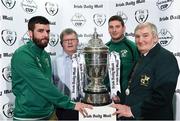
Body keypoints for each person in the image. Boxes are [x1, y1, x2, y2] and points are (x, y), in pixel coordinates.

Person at [11, 16, 92, 120]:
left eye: (47, 31)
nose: (45, 35)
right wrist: (71, 104)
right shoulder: (22, 54)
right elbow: (43, 85)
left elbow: (49, 84)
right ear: (30, 33)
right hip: (29, 117)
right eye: (40, 31)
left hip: (50, 114)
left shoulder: (45, 55)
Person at [111, 22, 179, 120]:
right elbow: (136, 88)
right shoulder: (143, 56)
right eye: (137, 36)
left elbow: (162, 97)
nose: (140, 40)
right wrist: (121, 99)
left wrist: (133, 111)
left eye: (145, 36)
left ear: (155, 38)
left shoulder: (166, 58)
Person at [104, 15, 139, 104]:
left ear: (123, 28)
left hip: (128, 98)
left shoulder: (133, 47)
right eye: (111, 27)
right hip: (108, 98)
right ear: (108, 29)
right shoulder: (105, 48)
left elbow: (139, 72)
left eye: (117, 27)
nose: (114, 30)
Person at [52, 28, 79, 120]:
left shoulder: (85, 61)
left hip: (83, 105)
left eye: (72, 40)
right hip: (63, 108)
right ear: (61, 43)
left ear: (77, 42)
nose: (70, 42)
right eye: (66, 40)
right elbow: (51, 86)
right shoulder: (54, 62)